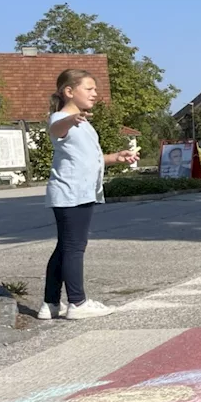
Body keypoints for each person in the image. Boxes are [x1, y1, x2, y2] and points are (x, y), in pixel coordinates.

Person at [37, 69, 140, 321]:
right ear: (69, 92)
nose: (95, 94)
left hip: (79, 192)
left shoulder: (83, 123)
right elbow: (57, 128)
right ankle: (77, 302)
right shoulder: (61, 118)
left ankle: (50, 304)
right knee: (74, 247)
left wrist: (115, 158)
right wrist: (71, 120)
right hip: (71, 193)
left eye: (95, 89)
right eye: (89, 88)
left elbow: (88, 158)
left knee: (64, 248)